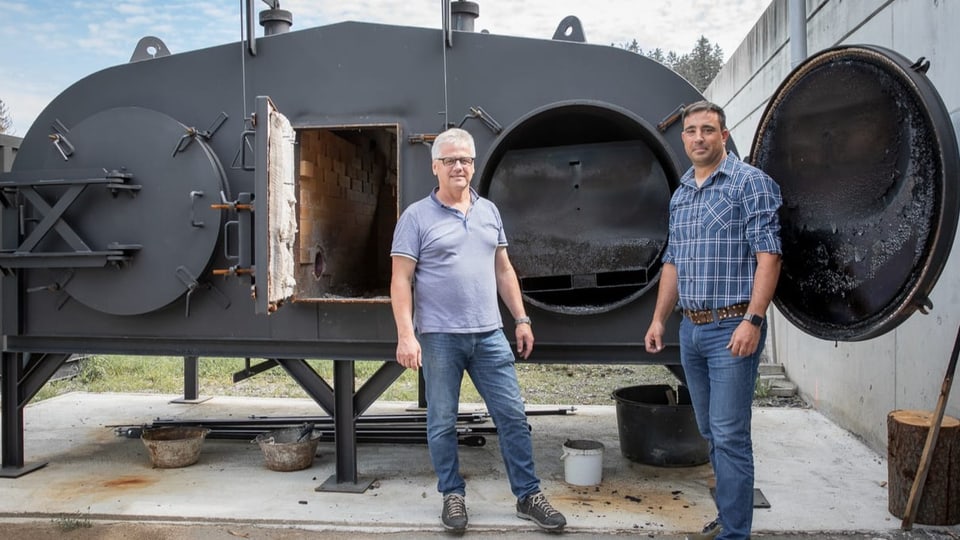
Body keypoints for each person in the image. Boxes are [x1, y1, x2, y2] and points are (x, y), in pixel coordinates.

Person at [390, 127, 566, 533]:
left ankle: (528, 495)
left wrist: (520, 319)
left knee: (512, 417)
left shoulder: (489, 211)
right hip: (438, 338)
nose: (459, 166)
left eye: (466, 159)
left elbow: (503, 269)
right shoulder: (415, 217)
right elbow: (401, 280)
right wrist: (405, 334)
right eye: (450, 159)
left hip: (489, 335)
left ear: (474, 165)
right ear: (435, 166)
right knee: (441, 422)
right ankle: (452, 495)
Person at [644, 101, 782, 540]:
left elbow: (769, 256)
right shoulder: (682, 192)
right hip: (692, 329)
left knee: (729, 435)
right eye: (691, 131)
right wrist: (659, 320)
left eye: (708, 129)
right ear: (682, 138)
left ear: (724, 135)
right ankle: (728, 515)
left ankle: (735, 532)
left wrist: (753, 320)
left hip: (732, 329)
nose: (698, 138)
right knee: (710, 430)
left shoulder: (750, 184)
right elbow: (673, 263)